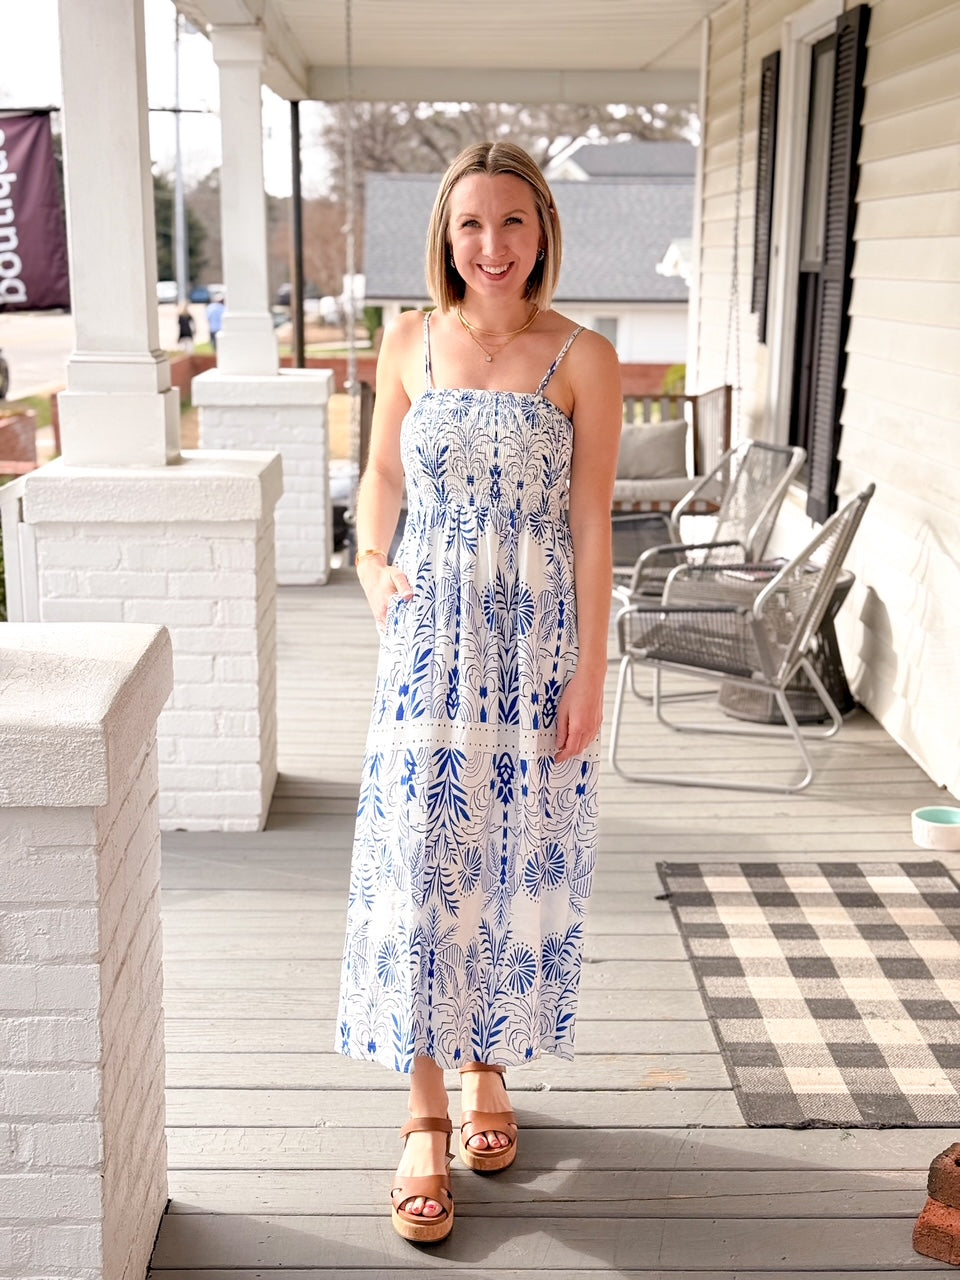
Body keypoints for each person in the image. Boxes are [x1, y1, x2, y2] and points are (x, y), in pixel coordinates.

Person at [336, 141, 622, 1244]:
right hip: (427, 637)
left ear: (542, 228)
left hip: (534, 639)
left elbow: (591, 524)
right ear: (445, 236)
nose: (490, 245)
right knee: (422, 858)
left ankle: (486, 1066)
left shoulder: (584, 355)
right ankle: (421, 1112)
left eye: (511, 222)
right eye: (470, 225)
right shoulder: (408, 340)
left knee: (505, 854)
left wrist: (589, 669)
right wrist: (370, 562)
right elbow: (383, 475)